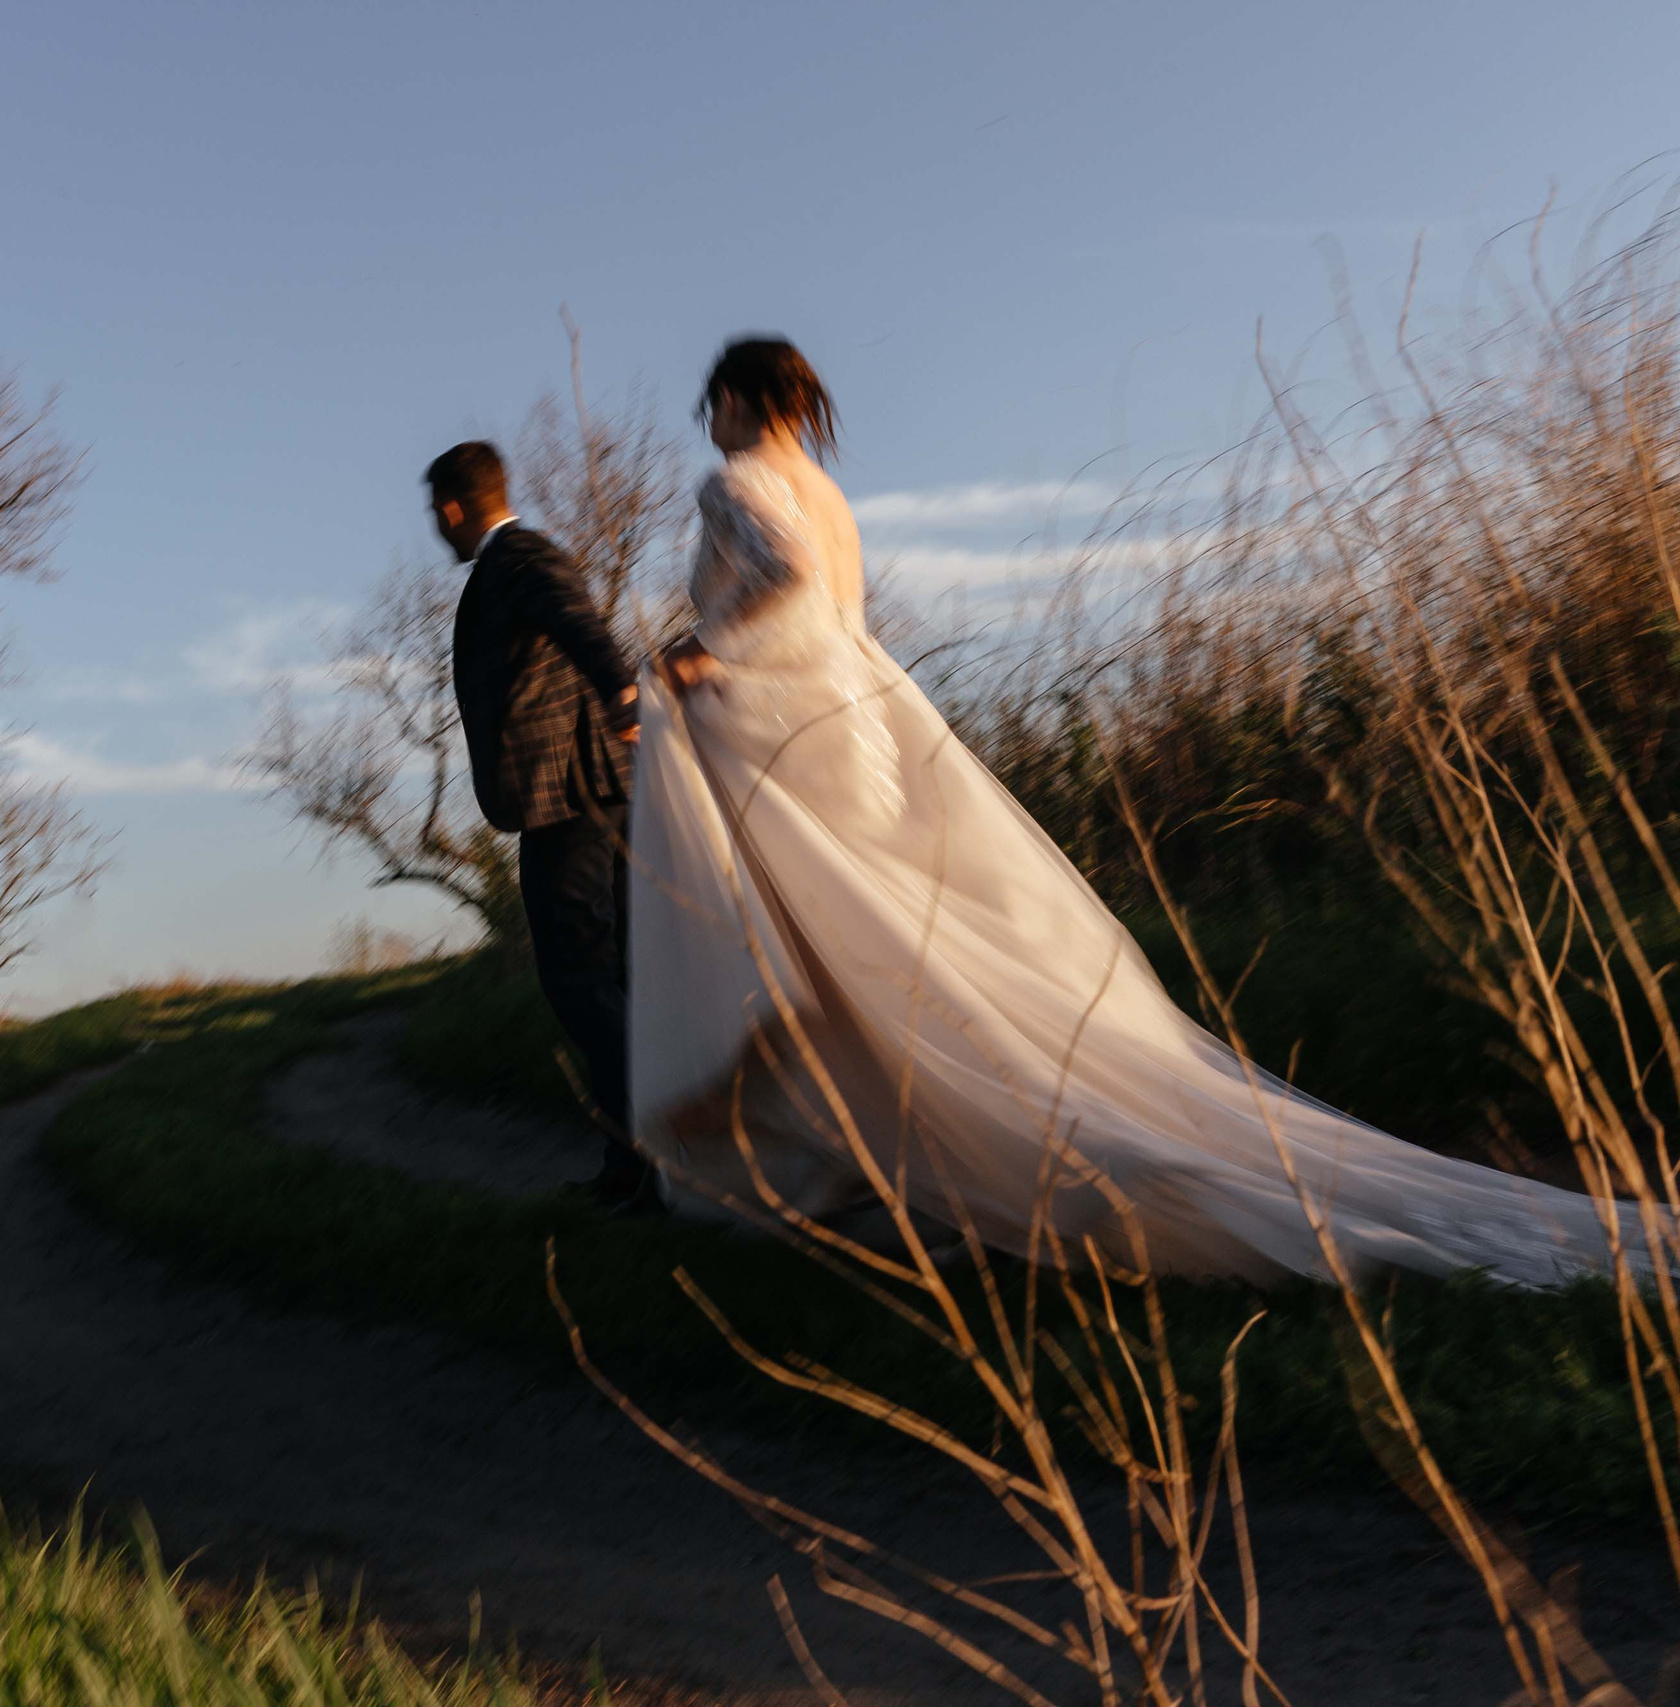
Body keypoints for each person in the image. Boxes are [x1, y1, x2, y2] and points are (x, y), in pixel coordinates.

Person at [628, 336, 1642, 1284]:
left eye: (709, 401)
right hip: (858, 727)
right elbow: (829, 605)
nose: (704, 422)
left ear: (740, 396)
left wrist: (704, 649)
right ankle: (904, 1147)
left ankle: (878, 1158)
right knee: (873, 947)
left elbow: (783, 577)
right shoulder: (826, 493)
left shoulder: (736, 481)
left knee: (809, 948)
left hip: (781, 731)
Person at [428, 440, 658, 1211]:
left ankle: (647, 1154)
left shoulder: (519, 555)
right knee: (612, 977)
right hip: (588, 793)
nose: (438, 528)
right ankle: (639, 1157)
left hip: (569, 798)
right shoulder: (511, 561)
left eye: (437, 514)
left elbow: (572, 614)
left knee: (579, 977)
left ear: (453, 507)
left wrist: (620, 688)